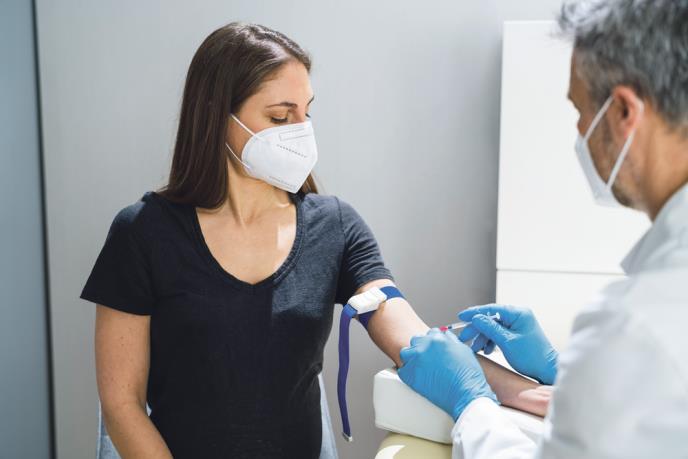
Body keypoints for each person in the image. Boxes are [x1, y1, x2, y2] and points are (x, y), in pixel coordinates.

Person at [80, 22, 542, 459]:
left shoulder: (334, 226)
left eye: (306, 112)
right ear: (217, 117)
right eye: (281, 116)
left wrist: (534, 394)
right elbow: (121, 404)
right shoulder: (143, 234)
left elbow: (415, 341)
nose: (301, 130)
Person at [398, 0, 688, 457]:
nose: (580, 131)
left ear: (624, 113)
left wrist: (470, 401)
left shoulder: (636, 326)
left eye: (580, 110)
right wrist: (561, 371)